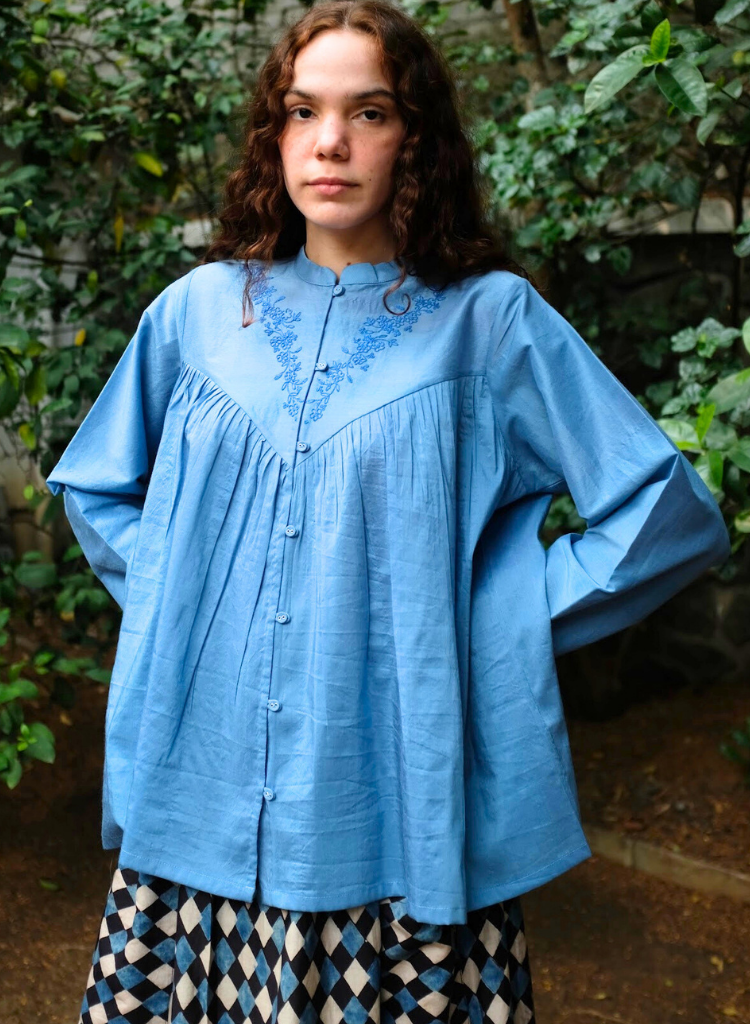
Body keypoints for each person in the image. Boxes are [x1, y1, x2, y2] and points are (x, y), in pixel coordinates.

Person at [45, 0, 731, 1021]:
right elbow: (99, 484)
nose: (330, 141)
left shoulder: (490, 322)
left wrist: (495, 620)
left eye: (368, 112)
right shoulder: (197, 312)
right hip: (198, 803)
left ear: (416, 138)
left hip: (396, 812)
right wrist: (183, 592)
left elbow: (663, 512)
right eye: (302, 111)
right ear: (274, 134)